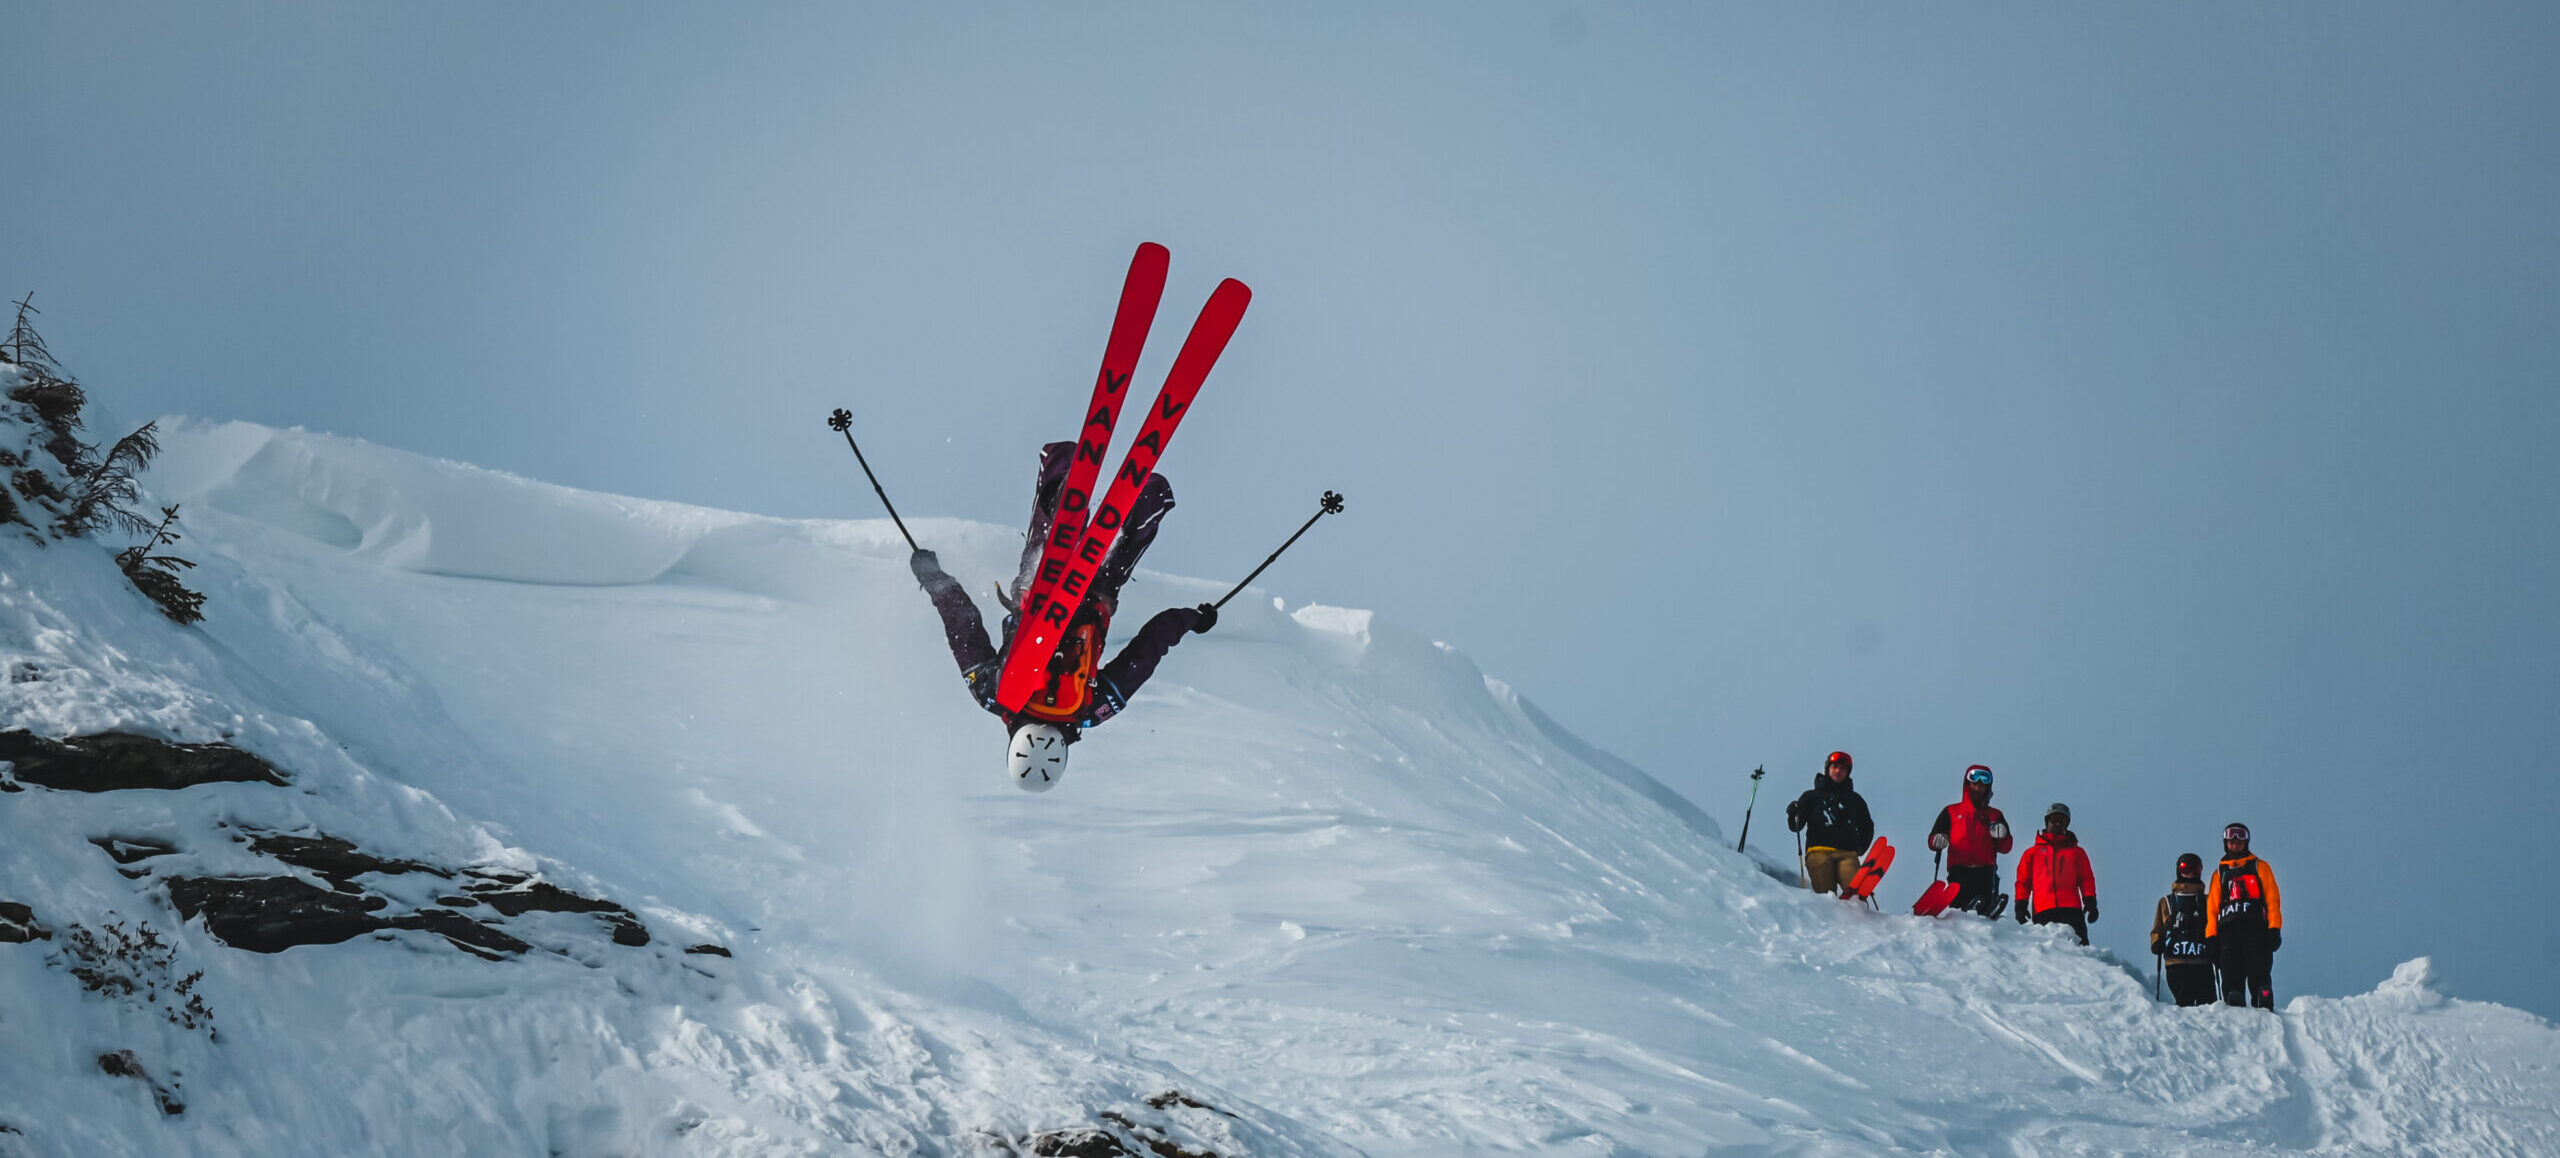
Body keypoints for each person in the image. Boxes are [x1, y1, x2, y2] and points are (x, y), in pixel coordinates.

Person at [910, 441, 1216, 791]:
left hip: (1096, 595)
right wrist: (934, 578)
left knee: (1121, 547)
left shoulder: (1092, 709)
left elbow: (1145, 653)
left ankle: (1148, 497)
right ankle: (1062, 472)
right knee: (1049, 539)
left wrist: (1189, 619)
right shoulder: (994, 694)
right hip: (1037, 590)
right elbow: (963, 623)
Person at [2205, 822, 2283, 1009]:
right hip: (2228, 930)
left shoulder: (2260, 867)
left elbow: (2273, 899)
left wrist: (2274, 928)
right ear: (2225, 843)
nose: (2235, 845)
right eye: (2231, 842)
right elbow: (2212, 909)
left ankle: (2262, 994)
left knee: (2258, 966)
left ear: (2246, 842)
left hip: (2256, 927)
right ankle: (2234, 996)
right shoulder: (2220, 873)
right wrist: (2211, 937)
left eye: (2239, 842)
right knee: (2231, 969)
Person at [1926, 764, 2013, 917]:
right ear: (1967, 784)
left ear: (1988, 787)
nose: (1978, 787)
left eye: (1982, 784)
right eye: (1974, 782)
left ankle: (1988, 915)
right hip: (1958, 871)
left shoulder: (1995, 815)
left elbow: (2006, 847)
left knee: (1982, 911)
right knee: (1959, 912)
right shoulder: (1951, 812)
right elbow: (1932, 838)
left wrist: (2003, 835)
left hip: (1985, 872)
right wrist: (1937, 840)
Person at [1785, 751, 1874, 897]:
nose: (1838, 771)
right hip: (1818, 851)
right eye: (1835, 767)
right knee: (1826, 897)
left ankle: (1857, 914)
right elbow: (1796, 826)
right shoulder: (1811, 796)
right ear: (1828, 769)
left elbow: (1867, 826)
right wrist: (1793, 814)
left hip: (1847, 854)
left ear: (1847, 772)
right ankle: (1831, 918)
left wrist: (1860, 848)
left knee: (1854, 894)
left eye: (1843, 769)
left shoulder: (1855, 800)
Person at [2013, 802, 2097, 945]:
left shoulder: (2077, 853)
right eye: (2054, 819)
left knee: (2081, 949)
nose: (2058, 824)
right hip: (2043, 911)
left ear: (2067, 825)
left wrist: (2090, 902)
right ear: (2047, 822)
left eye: (2062, 821)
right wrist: (2020, 906)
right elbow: (2023, 882)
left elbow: (2086, 878)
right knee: (2047, 952)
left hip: (2071, 910)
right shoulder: (2031, 854)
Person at [2151, 853, 2218, 1007]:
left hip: (2199, 963)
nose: (2189, 873)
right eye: (2184, 868)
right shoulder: (2167, 902)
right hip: (2179, 964)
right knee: (2186, 1008)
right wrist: (2156, 942)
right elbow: (2157, 929)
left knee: (2207, 1011)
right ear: (2178, 871)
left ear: (2200, 871)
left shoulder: (2208, 901)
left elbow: (2216, 927)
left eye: (2193, 869)